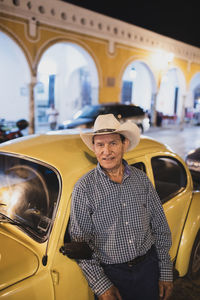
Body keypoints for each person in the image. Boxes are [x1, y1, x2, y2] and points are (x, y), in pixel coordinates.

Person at [69, 114, 173, 300]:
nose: (106, 151)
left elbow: (160, 226)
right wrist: (101, 285)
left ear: (124, 145)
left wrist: (165, 270)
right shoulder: (84, 189)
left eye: (113, 143)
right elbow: (80, 243)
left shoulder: (141, 180)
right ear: (94, 148)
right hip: (111, 274)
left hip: (148, 267)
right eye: (100, 145)